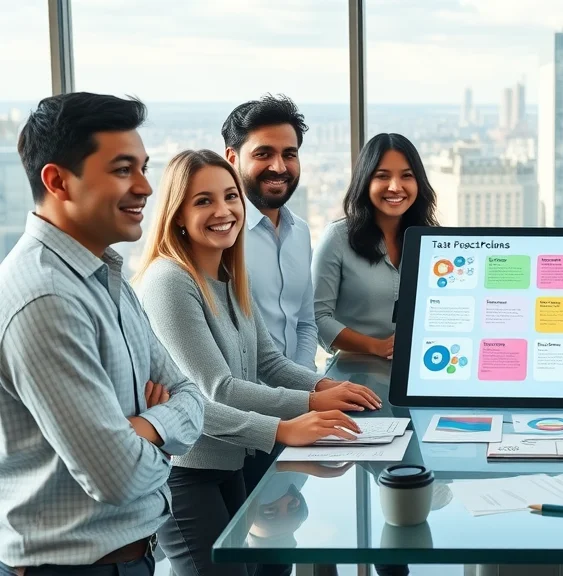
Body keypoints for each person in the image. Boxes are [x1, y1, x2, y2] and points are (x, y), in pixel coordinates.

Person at [134, 149, 381, 576]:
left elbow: (269, 360)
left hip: (231, 461)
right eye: (203, 201)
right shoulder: (169, 280)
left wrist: (323, 387)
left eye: (230, 197)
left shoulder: (229, 274)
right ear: (176, 214)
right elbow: (217, 390)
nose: (224, 210)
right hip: (186, 472)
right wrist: (298, 417)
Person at [0, 93, 204, 575]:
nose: (146, 187)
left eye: (144, 167)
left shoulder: (103, 276)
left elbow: (189, 395)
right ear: (57, 181)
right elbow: (119, 474)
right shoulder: (47, 299)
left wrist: (146, 427)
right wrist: (160, 438)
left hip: (128, 558)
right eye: (122, 170)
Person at [222, 95, 318, 575]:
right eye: (264, 153)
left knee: (280, 556)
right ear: (232, 157)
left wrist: (306, 388)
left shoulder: (301, 232)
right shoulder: (222, 234)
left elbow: (304, 322)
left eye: (290, 153)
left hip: (293, 421)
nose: (279, 166)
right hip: (240, 427)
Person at [313, 133, 440, 365]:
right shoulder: (338, 238)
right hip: (354, 373)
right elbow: (318, 318)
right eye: (382, 176)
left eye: (407, 176)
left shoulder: (433, 241)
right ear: (365, 181)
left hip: (424, 366)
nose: (395, 187)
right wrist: (377, 347)